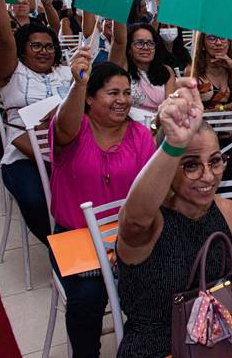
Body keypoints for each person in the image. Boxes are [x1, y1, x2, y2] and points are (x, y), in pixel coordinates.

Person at [116, 79, 232, 357]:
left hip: (223, 344)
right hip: (159, 348)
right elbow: (133, 219)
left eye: (215, 161)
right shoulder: (152, 223)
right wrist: (173, 145)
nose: (208, 176)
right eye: (191, 165)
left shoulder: (229, 213)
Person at [48, 57, 156, 357]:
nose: (123, 100)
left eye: (127, 93)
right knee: (88, 298)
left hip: (127, 236)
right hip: (76, 237)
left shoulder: (140, 135)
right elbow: (64, 126)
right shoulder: (75, 129)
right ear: (90, 98)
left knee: (158, 287)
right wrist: (78, 84)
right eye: (112, 93)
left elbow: (150, 193)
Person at [0, 0, 71, 245]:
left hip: (65, 153)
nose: (44, 51)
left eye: (49, 46)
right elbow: (4, 37)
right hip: (24, 156)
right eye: (35, 45)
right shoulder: (13, 73)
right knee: (37, 200)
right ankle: (61, 250)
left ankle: (88, 246)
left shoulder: (65, 73)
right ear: (23, 49)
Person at [109, 23, 175, 112]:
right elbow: (119, 41)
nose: (146, 47)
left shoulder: (166, 71)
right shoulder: (122, 68)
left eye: (150, 43)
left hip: (159, 119)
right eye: (139, 43)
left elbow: (169, 107)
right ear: (129, 49)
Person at [185, 32, 232, 111]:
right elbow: (190, 110)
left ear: (229, 43)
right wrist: (224, 108)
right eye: (211, 38)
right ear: (203, 45)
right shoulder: (193, 71)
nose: (218, 43)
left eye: (223, 38)